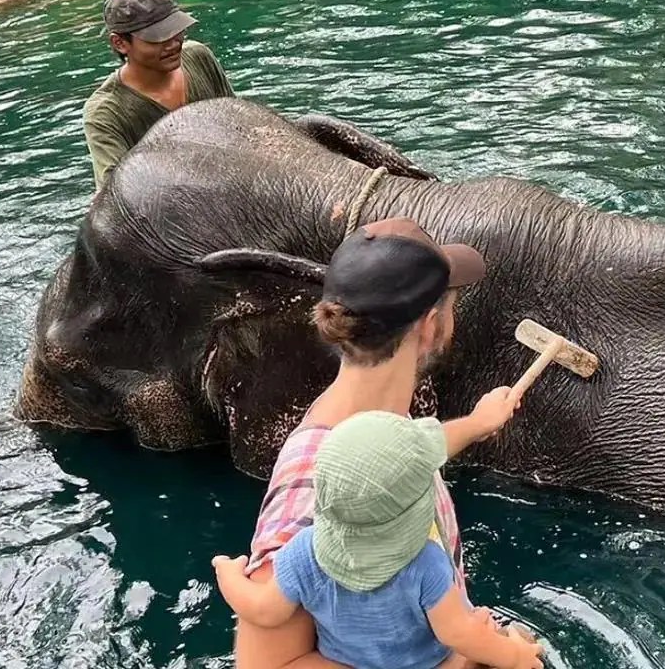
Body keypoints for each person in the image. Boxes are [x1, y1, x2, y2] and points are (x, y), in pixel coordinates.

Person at [225, 216, 537, 669]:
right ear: (430, 326)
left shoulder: (381, 439)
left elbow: (419, 447)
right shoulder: (311, 488)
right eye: (451, 308)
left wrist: (475, 423)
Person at [212, 411, 543, 669]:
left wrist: (227, 572)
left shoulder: (303, 551)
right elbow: (457, 633)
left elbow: (262, 610)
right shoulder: (427, 563)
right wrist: (513, 656)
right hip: (428, 664)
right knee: (518, 639)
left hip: (350, 664)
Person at [83, 0, 235, 189]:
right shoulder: (106, 112)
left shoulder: (199, 57)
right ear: (120, 43)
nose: (173, 43)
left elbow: (236, 125)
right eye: (157, 38)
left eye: (176, 30)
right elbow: (116, 196)